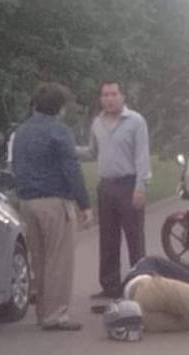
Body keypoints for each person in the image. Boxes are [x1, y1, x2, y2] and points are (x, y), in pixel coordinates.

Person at [12, 83, 94, 331]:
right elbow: (71, 168)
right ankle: (55, 314)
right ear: (59, 107)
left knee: (39, 258)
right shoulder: (59, 132)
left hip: (27, 202)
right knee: (59, 259)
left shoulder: (22, 132)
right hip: (54, 202)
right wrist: (85, 204)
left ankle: (42, 311)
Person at [78, 81, 152, 300]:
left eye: (113, 94)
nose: (109, 99)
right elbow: (92, 152)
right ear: (101, 99)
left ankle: (140, 286)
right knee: (108, 239)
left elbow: (142, 156)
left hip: (129, 184)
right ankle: (110, 286)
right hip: (106, 186)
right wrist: (68, 150)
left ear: (122, 96)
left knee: (134, 237)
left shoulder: (135, 121)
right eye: (105, 95)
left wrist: (140, 186)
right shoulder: (97, 123)